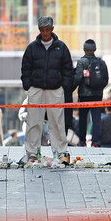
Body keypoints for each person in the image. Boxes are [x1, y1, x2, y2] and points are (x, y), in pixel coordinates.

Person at [20, 16, 73, 164]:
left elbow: (68, 69)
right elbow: (25, 68)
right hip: (36, 88)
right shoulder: (32, 47)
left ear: (52, 29)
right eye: (42, 30)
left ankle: (60, 151)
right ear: (39, 30)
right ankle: (32, 152)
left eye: (47, 30)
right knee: (33, 121)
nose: (45, 33)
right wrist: (28, 86)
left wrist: (64, 86)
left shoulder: (61, 47)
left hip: (55, 89)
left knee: (57, 121)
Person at [73, 39, 108, 146]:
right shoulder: (101, 62)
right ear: (95, 49)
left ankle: (82, 141)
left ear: (84, 49)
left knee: (83, 119)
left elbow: (78, 78)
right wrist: (99, 88)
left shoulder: (81, 62)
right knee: (96, 118)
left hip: (84, 95)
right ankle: (95, 141)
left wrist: (70, 88)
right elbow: (106, 79)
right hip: (97, 95)